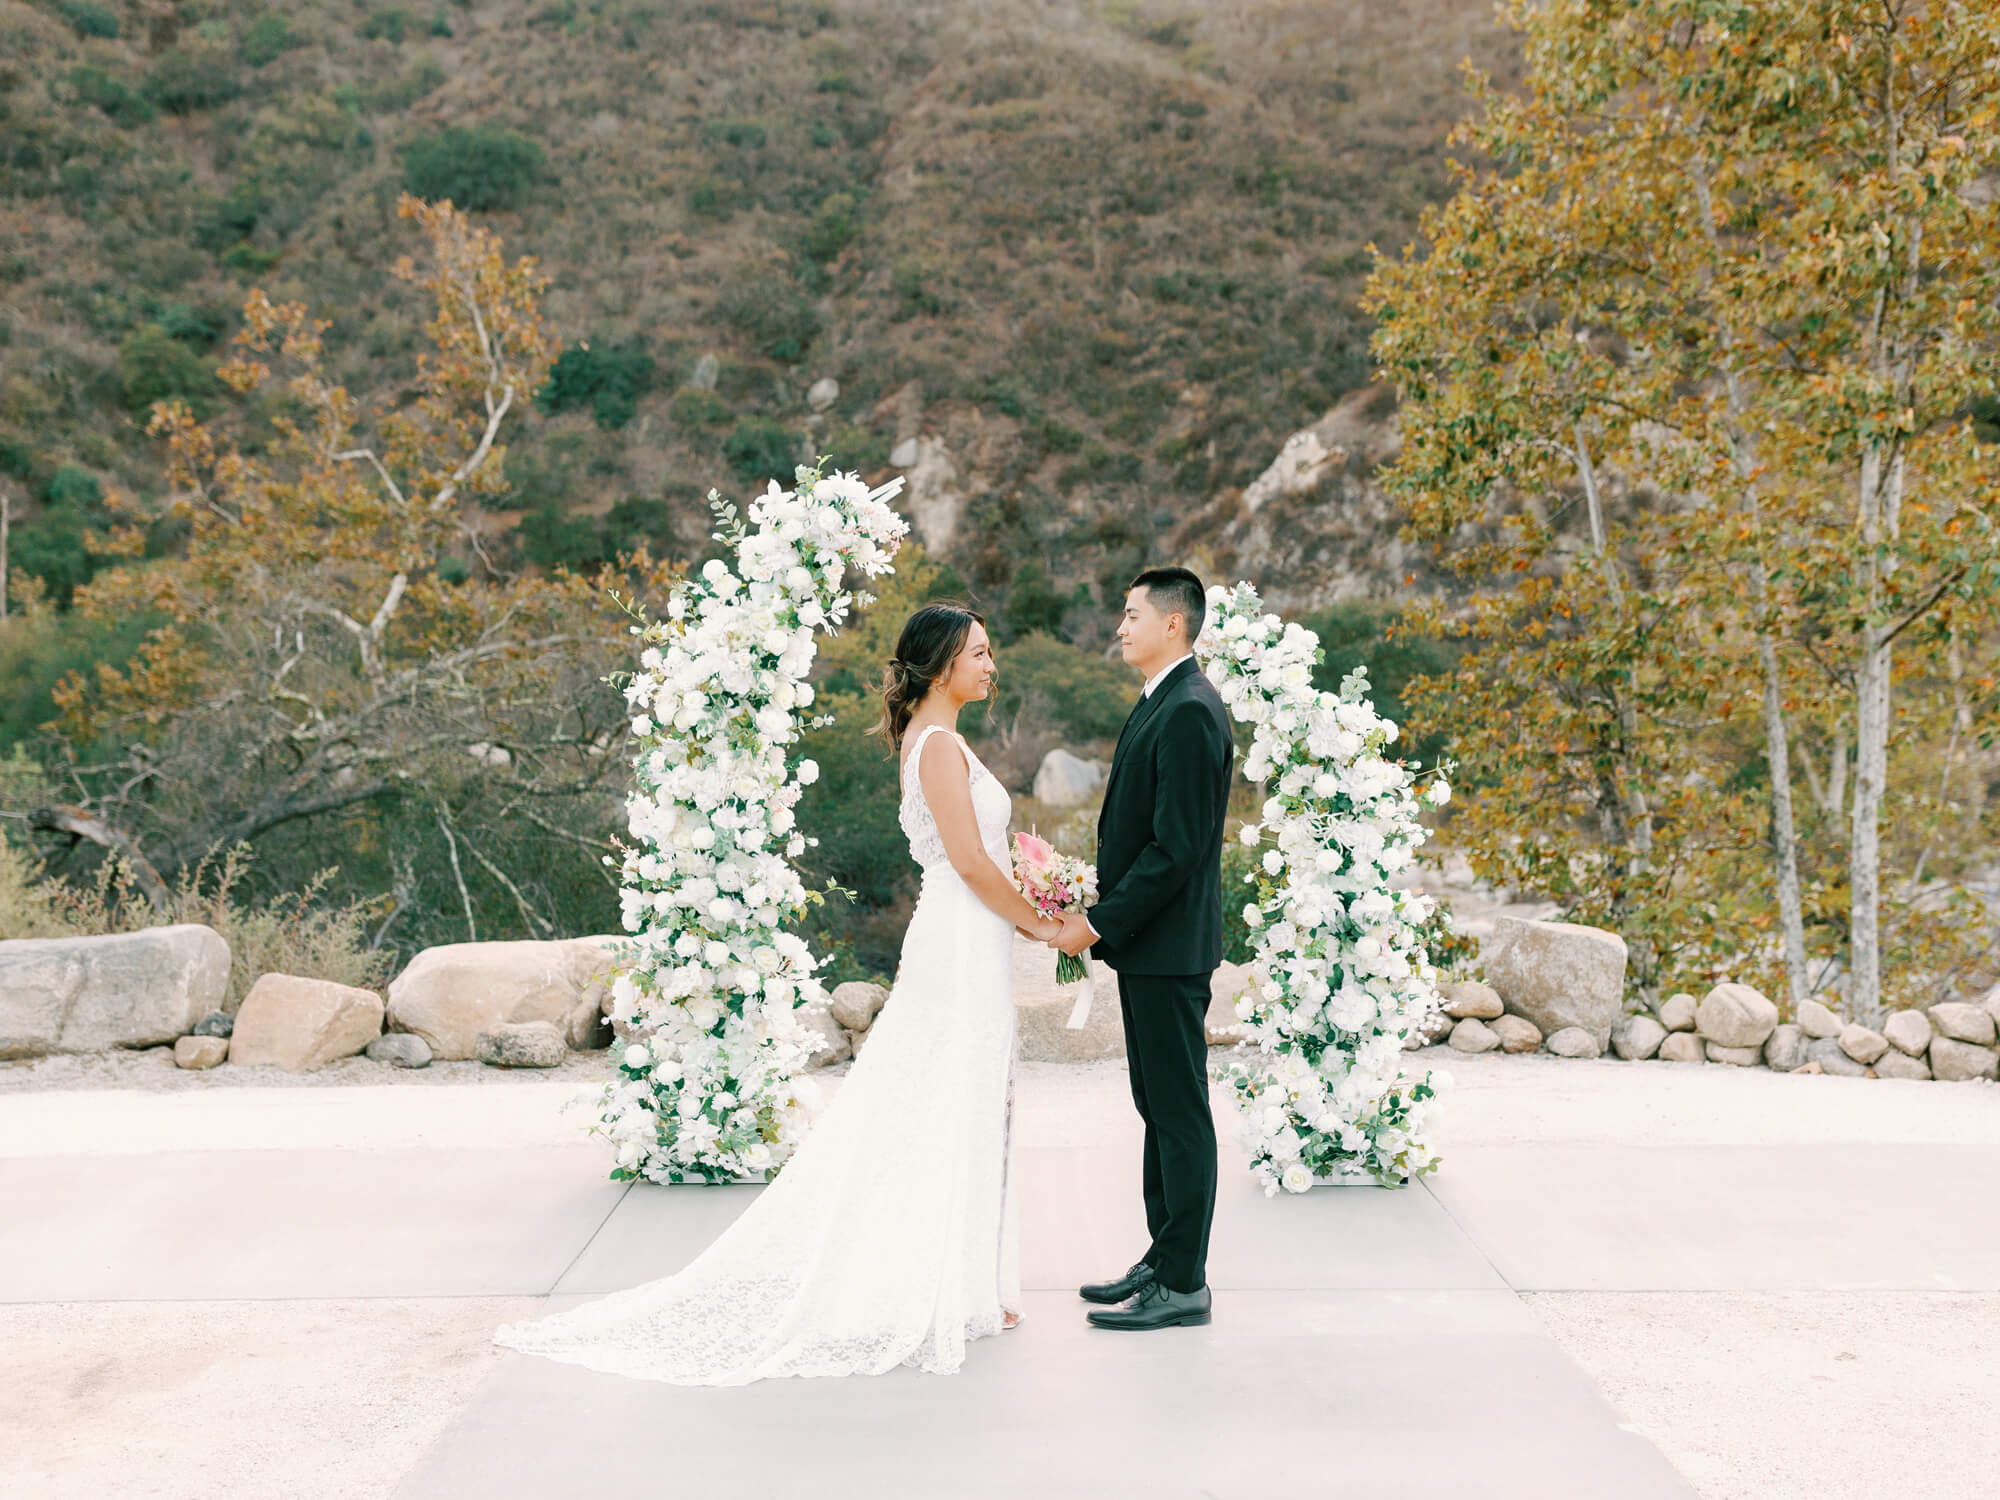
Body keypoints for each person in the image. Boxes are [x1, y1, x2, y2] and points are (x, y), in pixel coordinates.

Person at [495, 602, 1061, 1384]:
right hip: (960, 944)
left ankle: (966, 1280)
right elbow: (968, 862)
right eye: (981, 652)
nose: (992, 664)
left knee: (969, 1101)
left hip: (972, 943)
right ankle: (933, 1285)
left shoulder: (942, 740)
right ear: (940, 667)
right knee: (944, 1100)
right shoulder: (935, 747)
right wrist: (1048, 927)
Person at [1052, 566, 1234, 1331]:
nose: (1119, 627)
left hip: (1168, 948)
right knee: (1157, 1105)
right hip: (1151, 948)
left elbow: (1176, 851)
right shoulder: (1161, 701)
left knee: (1179, 1110)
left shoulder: (1190, 710)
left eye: (1131, 615)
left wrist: (1094, 924)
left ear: (1174, 624)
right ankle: (1165, 1257)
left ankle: (1184, 1280)